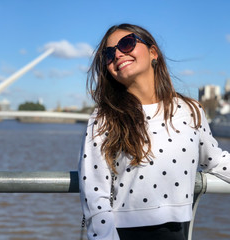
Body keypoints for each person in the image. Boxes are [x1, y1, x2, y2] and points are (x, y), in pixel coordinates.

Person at [78, 23, 230, 240]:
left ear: (153, 53)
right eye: (109, 54)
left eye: (127, 43)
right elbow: (95, 194)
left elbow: (215, 161)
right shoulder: (104, 118)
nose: (118, 54)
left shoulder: (190, 110)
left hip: (179, 232)